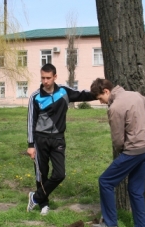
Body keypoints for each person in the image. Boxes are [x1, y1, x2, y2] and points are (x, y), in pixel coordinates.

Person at [89, 78, 145, 227]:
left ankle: (110, 224)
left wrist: (131, 137)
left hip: (133, 151)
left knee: (105, 181)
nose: (101, 102)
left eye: (100, 98)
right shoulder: (134, 95)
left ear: (106, 91)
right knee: (135, 190)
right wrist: (141, 127)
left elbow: (118, 140)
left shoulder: (115, 107)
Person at [26, 63, 95, 215]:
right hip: (40, 140)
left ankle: (35, 197)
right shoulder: (35, 96)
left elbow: (82, 94)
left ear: (55, 77)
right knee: (41, 173)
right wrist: (31, 145)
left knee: (59, 174)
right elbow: (30, 121)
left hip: (58, 139)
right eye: (43, 78)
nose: (45, 81)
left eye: (48, 78)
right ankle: (43, 204)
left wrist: (99, 93)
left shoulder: (64, 91)